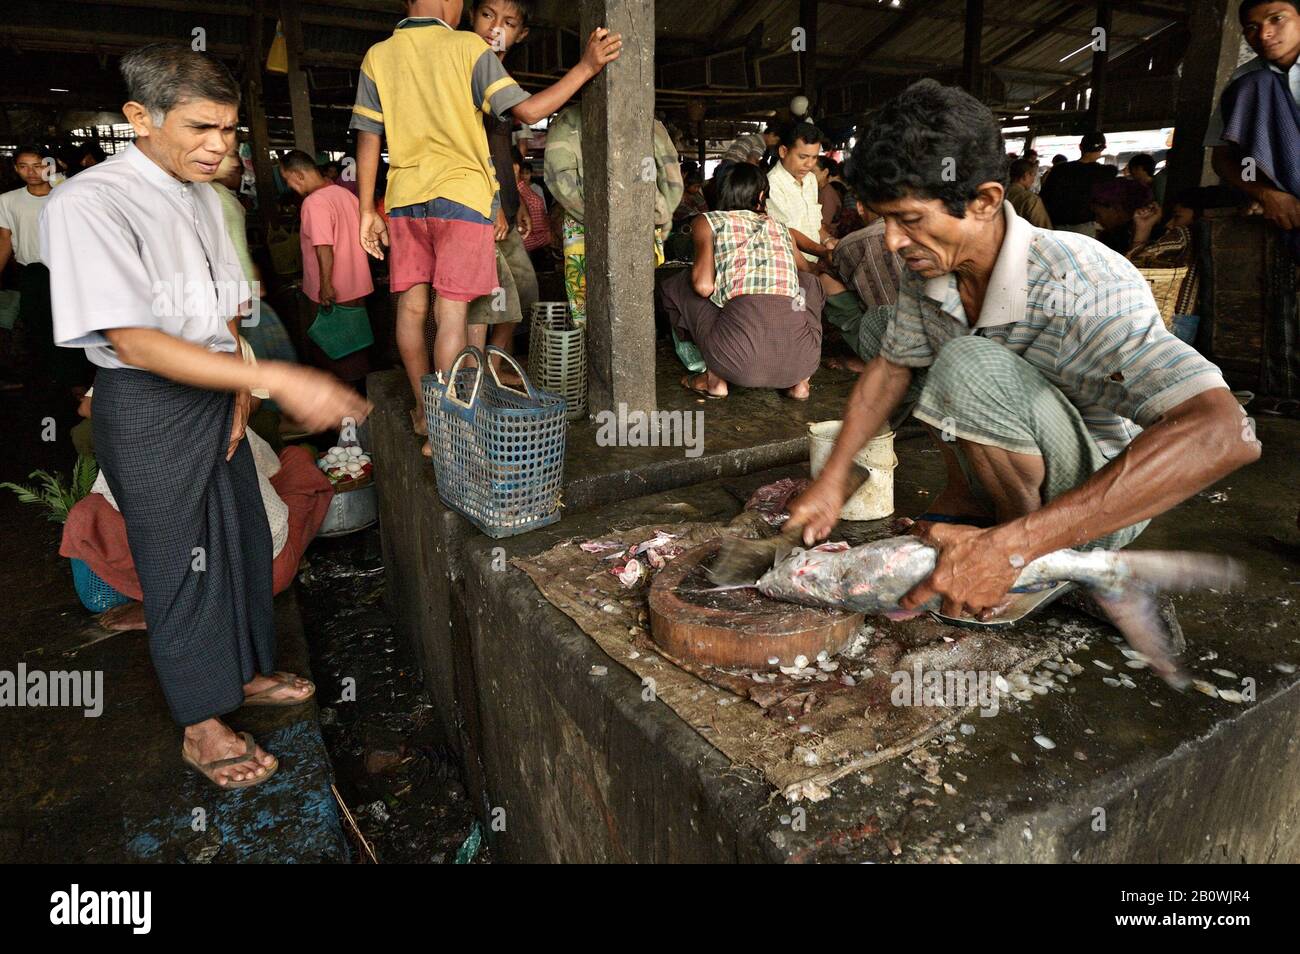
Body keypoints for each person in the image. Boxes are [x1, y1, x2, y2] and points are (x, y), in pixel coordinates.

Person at [787, 79, 1257, 631]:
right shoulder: (938, 268)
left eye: (909, 219)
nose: (890, 241)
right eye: (883, 219)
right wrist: (833, 478)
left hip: (1097, 502)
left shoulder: (1080, 285)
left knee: (967, 364)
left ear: (985, 200)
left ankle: (1034, 559)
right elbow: (891, 369)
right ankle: (982, 522)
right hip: (1020, 473)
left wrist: (1014, 549)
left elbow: (1225, 432)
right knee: (905, 345)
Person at [40, 43, 371, 790]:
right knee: (177, 562)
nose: (219, 146)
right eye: (200, 128)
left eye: (228, 130)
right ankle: (201, 720)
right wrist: (279, 377)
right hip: (151, 402)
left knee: (242, 537)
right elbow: (133, 338)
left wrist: (243, 389)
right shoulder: (89, 204)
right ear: (139, 118)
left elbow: (221, 311)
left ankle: (243, 671)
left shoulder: (198, 195)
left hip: (217, 390)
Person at [349, 0, 622, 455]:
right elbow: (529, 112)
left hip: (403, 200)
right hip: (461, 198)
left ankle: (424, 415)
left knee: (412, 312)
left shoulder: (378, 55)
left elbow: (368, 135)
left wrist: (365, 211)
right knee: (452, 315)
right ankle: (452, 429)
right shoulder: (467, 48)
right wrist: (586, 67)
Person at [660, 163, 823, 401]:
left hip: (734, 362)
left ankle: (713, 378)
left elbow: (703, 286)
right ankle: (801, 383)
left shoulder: (708, 221)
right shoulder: (780, 228)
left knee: (679, 284)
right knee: (807, 284)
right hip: (803, 361)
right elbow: (806, 271)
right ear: (760, 196)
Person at [544, 100, 682, 327]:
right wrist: (656, 215)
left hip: (583, 225)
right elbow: (671, 175)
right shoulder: (643, 113)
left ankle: (591, 350)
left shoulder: (567, 120)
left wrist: (595, 217)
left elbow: (559, 177)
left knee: (586, 300)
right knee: (633, 299)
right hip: (637, 222)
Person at [466, 0, 542, 387]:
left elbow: (502, 148)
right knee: (489, 299)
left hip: (502, 206)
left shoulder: (500, 78)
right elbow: (471, 148)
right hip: (479, 206)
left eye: (508, 22)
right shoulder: (465, 66)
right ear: (470, 16)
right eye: (487, 15)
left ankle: (493, 366)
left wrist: (515, 203)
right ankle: (476, 377)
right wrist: (492, 205)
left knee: (522, 291)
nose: (495, 28)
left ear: (521, 34)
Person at [1208, 0, 1300, 258]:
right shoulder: (1245, 82)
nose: (1264, 34)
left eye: (1277, 19)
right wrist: (1266, 194)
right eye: (1252, 27)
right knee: (1258, 84)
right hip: (1288, 195)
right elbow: (1222, 158)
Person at [0, 144, 88, 396]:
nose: (31, 171)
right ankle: (51, 379)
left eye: (38, 165)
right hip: (32, 273)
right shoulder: (7, 201)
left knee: (72, 324)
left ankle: (76, 380)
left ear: (50, 166)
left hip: (68, 271)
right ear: (15, 168)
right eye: (23, 166)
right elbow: (5, 241)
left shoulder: (66, 195)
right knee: (39, 327)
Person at [281, 149, 375, 385]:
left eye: (287, 179)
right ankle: (360, 396)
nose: (289, 186)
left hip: (332, 291)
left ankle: (341, 408)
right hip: (358, 286)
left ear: (299, 175)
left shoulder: (314, 203)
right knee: (357, 347)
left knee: (333, 350)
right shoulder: (347, 196)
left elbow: (324, 248)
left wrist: (325, 286)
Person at [817, 194, 904, 375]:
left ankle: (871, 359)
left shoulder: (851, 244)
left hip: (886, 340)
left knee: (826, 280)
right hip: (930, 337)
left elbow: (829, 274)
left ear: (860, 207)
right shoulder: (921, 232)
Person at [765, 122, 836, 264]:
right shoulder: (772, 185)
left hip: (813, 263)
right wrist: (818, 260)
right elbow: (786, 237)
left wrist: (828, 240)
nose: (809, 164)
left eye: (814, 157)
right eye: (803, 157)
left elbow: (814, 225)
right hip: (790, 267)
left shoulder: (810, 180)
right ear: (783, 152)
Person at [1039, 131, 1117, 236]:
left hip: (1055, 226)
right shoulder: (1103, 172)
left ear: (1080, 147)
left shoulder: (1060, 169)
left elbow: (1044, 197)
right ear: (1102, 149)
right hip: (1084, 227)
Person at [1090, 176, 1153, 254]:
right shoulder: (1109, 235)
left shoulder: (1154, 236)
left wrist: (1142, 232)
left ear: (1117, 208)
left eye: (1098, 214)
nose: (1097, 220)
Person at [1006, 156, 1052, 229]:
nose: (1033, 180)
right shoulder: (1030, 199)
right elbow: (1044, 229)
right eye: (1033, 175)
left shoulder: (1000, 194)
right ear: (1026, 175)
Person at [816, 156, 843, 238]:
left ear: (825, 172)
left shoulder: (828, 194)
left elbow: (824, 227)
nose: (808, 174)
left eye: (812, 171)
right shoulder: (821, 190)